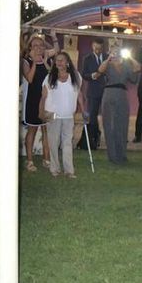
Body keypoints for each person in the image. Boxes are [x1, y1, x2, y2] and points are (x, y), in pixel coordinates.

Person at [40, 52, 86, 178]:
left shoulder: (76, 76)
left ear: (67, 62)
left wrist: (83, 110)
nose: (59, 63)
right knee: (53, 143)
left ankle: (69, 170)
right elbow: (43, 96)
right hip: (53, 115)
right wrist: (41, 112)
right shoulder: (49, 77)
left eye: (62, 60)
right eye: (57, 60)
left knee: (67, 143)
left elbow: (79, 94)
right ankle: (54, 168)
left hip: (68, 116)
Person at [21, 34, 58, 172]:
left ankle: (46, 159)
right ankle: (30, 161)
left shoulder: (46, 60)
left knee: (47, 130)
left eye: (41, 46)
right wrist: (35, 63)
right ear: (30, 47)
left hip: (46, 100)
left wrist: (46, 61)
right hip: (32, 100)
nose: (38, 48)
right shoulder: (25, 61)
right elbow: (30, 78)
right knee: (32, 129)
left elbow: (51, 77)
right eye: (35, 46)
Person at [98, 44, 140, 164]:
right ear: (109, 51)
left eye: (118, 51)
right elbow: (100, 70)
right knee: (109, 125)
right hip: (109, 93)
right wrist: (108, 58)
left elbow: (137, 70)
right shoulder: (107, 64)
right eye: (113, 51)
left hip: (122, 94)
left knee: (122, 125)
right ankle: (113, 156)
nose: (115, 53)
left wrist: (130, 58)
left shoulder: (126, 65)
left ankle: (122, 155)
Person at [78, 38, 107, 150]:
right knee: (93, 117)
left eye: (100, 48)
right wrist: (92, 76)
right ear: (92, 46)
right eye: (96, 47)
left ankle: (104, 137)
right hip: (93, 92)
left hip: (106, 91)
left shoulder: (107, 57)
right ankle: (93, 139)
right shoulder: (87, 58)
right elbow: (84, 74)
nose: (98, 50)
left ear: (102, 47)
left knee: (107, 115)